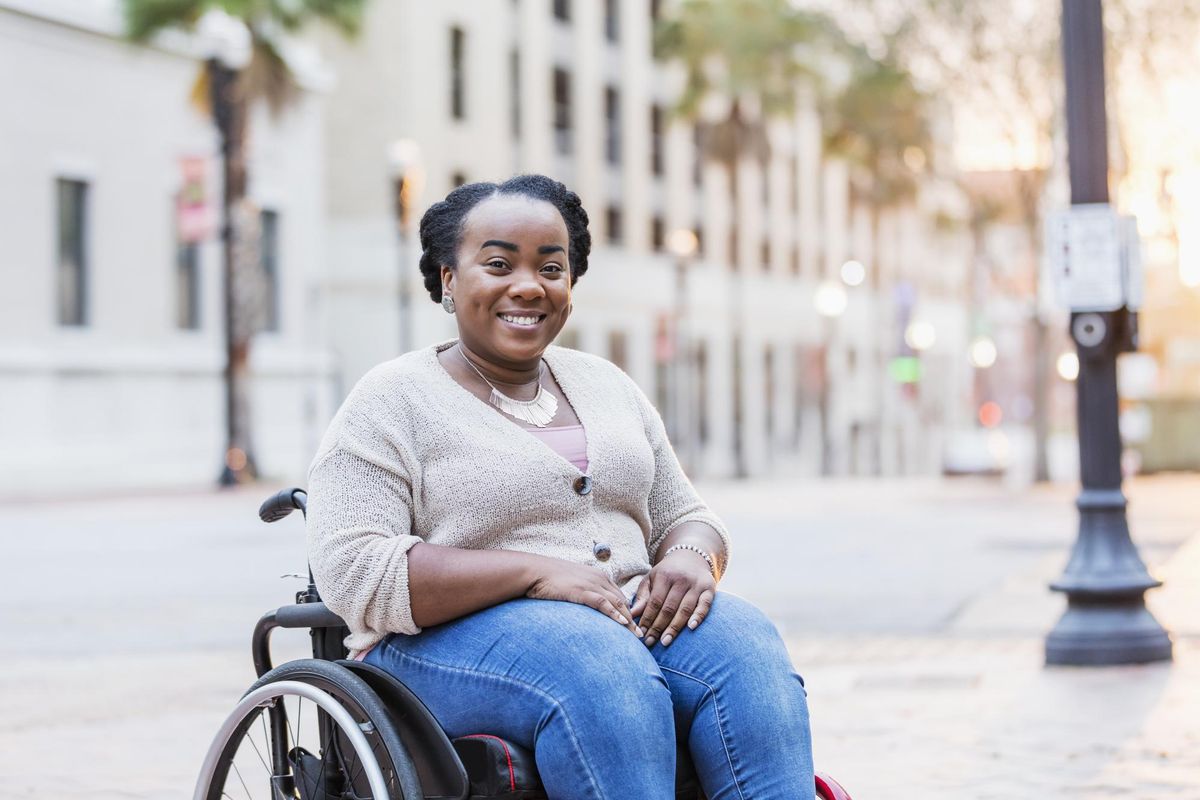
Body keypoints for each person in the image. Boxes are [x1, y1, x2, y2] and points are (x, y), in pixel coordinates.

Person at [307, 174, 814, 799]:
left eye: (552, 266)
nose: (528, 285)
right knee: (597, 667)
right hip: (438, 647)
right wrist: (535, 574)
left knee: (744, 646)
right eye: (498, 263)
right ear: (448, 278)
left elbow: (686, 512)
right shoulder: (392, 399)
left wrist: (691, 556)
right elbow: (355, 570)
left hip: (620, 618)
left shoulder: (606, 384)